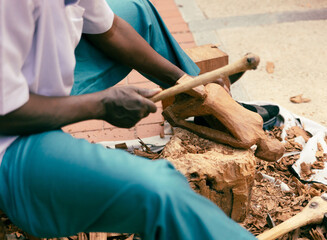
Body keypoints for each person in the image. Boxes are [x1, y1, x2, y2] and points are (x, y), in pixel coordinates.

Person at [0, 0, 256, 239]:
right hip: (10, 143)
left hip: (21, 89)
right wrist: (99, 106)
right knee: (162, 192)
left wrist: (187, 83)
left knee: (137, 11)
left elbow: (110, 28)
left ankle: (200, 102)